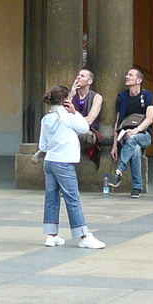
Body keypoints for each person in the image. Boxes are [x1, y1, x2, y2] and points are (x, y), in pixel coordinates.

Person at [37, 84, 106, 249]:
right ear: (66, 100)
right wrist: (75, 112)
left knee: (51, 197)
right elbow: (84, 127)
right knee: (72, 198)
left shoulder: (46, 119)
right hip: (64, 161)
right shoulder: (68, 117)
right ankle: (83, 235)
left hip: (50, 161)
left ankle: (51, 235)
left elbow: (43, 145)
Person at [108, 67, 153, 198]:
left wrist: (136, 130)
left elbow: (150, 118)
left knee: (133, 139)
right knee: (135, 150)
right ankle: (137, 187)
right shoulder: (122, 97)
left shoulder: (148, 96)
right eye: (127, 74)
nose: (127, 77)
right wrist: (115, 145)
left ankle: (119, 171)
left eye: (131, 75)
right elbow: (118, 122)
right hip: (125, 136)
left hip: (144, 135)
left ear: (139, 80)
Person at [70, 69, 105, 168]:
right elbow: (62, 114)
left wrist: (71, 120)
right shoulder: (71, 96)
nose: (78, 77)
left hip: (88, 132)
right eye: (78, 75)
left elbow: (89, 120)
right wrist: (71, 94)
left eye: (82, 76)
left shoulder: (96, 97)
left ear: (89, 81)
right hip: (72, 130)